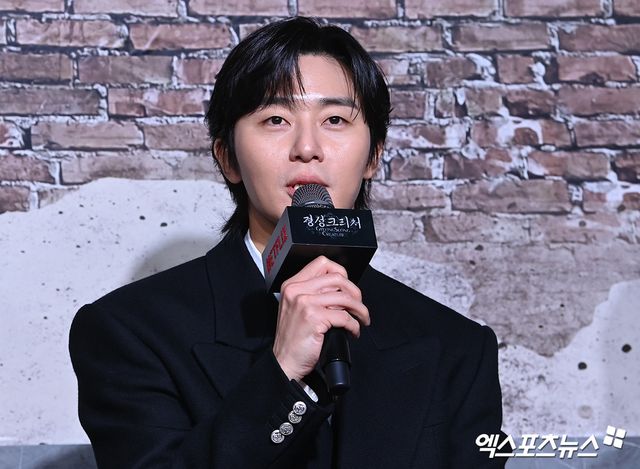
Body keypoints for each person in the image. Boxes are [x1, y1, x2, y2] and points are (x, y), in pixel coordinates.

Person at [70, 17, 506, 468]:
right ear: (228, 158)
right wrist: (281, 376)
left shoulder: (456, 347)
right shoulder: (129, 331)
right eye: (276, 119)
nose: (307, 147)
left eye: (334, 119)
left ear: (373, 156)